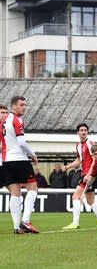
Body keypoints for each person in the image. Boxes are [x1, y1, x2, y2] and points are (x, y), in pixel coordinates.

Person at [0, 96, 40, 234]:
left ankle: (17, 227)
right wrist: (33, 155)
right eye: (22, 104)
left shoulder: (3, 122)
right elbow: (22, 142)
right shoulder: (18, 120)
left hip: (6, 161)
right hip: (19, 159)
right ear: (13, 107)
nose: (24, 107)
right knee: (33, 188)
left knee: (15, 193)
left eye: (25, 104)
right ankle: (26, 221)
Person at [62, 123, 97, 230]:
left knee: (75, 196)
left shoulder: (90, 143)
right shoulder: (78, 145)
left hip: (88, 175)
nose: (83, 132)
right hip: (86, 174)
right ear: (78, 132)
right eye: (81, 130)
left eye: (85, 130)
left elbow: (96, 159)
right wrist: (68, 166)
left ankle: (75, 223)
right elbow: (78, 161)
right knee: (91, 201)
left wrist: (89, 173)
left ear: (87, 132)